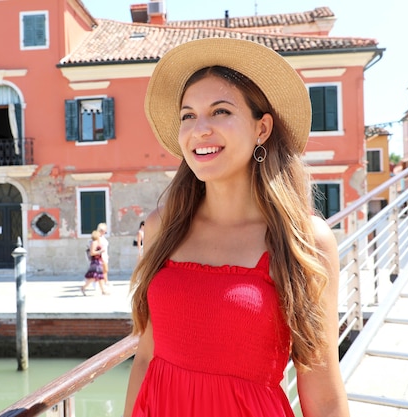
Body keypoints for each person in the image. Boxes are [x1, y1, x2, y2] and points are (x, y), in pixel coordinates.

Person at [123, 38, 349, 417]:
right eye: (188, 115)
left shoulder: (303, 241)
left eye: (220, 111)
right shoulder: (163, 226)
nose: (200, 129)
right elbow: (146, 354)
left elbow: (323, 394)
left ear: (262, 129)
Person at [81, 230, 109, 296]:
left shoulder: (98, 242)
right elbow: (92, 253)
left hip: (99, 260)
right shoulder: (94, 243)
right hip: (95, 262)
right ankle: (83, 287)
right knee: (94, 277)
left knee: (100, 277)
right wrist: (100, 251)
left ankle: (103, 291)